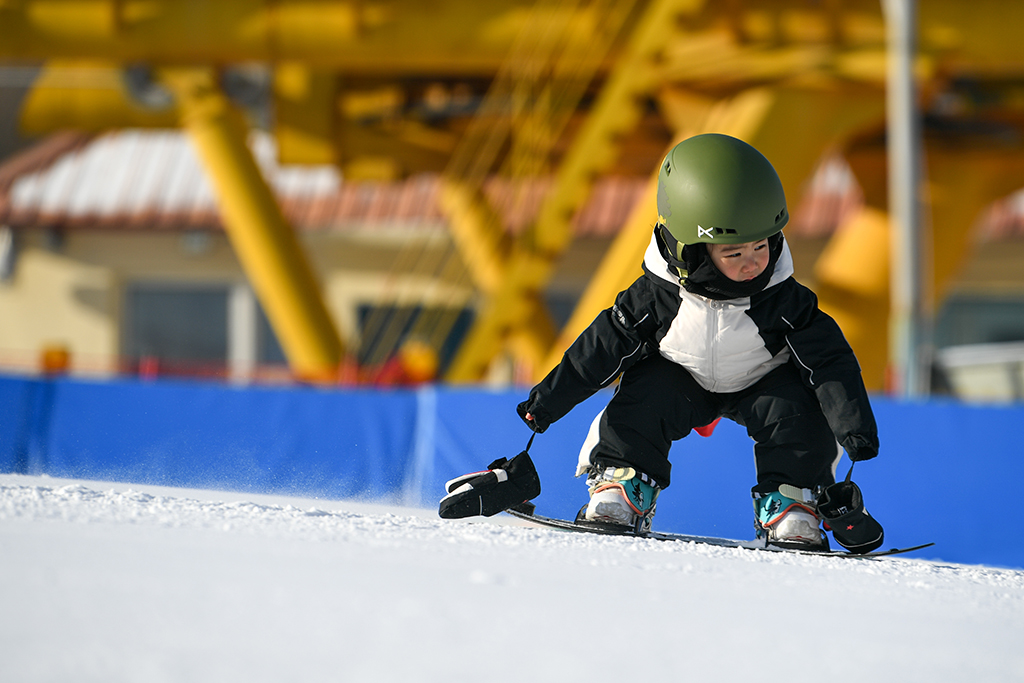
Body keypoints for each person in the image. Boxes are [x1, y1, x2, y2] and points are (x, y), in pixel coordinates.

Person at [516, 133, 879, 548]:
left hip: (761, 382)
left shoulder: (785, 300)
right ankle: (623, 485)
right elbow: (598, 351)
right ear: (695, 249)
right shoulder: (656, 296)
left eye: (761, 246)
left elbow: (831, 362)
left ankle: (792, 502)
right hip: (681, 378)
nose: (753, 263)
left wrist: (854, 429)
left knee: (797, 413)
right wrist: (544, 404)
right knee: (642, 395)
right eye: (734, 253)